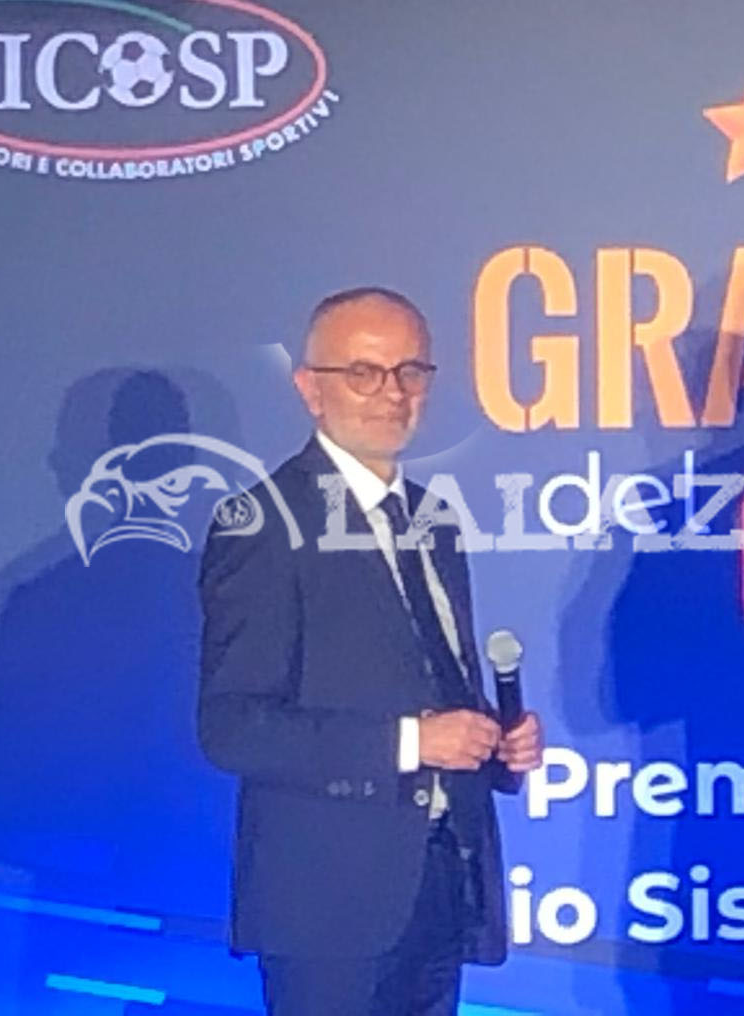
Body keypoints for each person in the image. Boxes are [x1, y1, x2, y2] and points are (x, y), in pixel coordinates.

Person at [198, 287, 545, 1016]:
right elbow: (232, 727)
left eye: (411, 372)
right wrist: (412, 741)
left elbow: (428, 679)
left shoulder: (432, 520)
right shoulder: (261, 522)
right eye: (364, 372)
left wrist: (494, 742)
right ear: (310, 389)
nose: (393, 393)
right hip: (327, 902)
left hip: (443, 881)